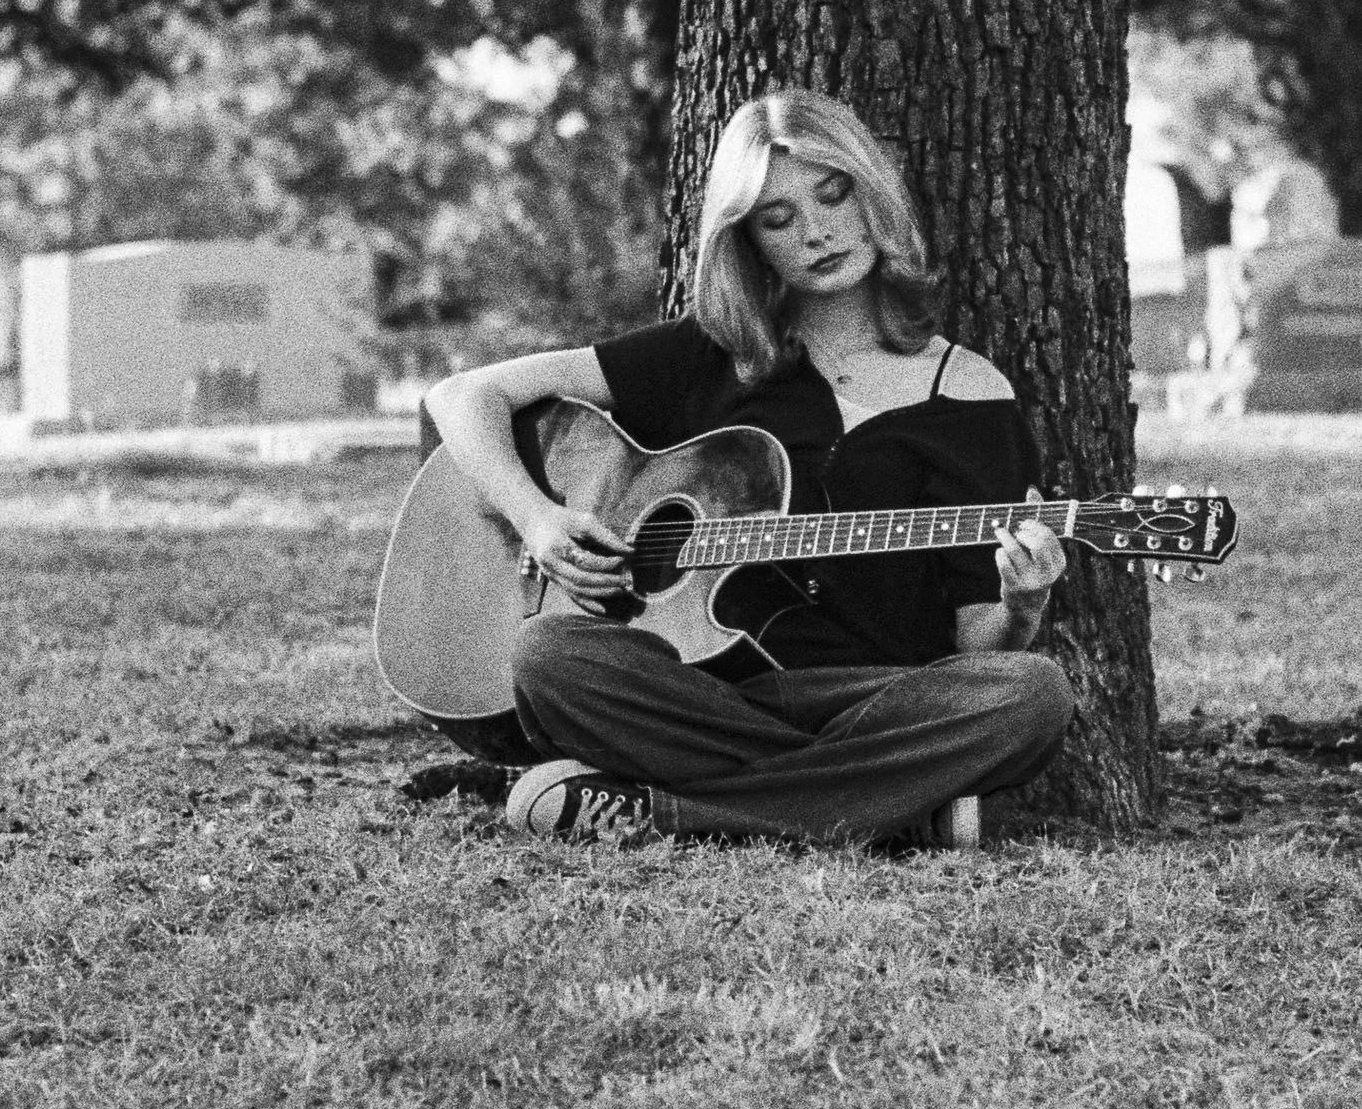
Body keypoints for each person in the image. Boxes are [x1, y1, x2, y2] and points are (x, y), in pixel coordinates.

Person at [422, 90, 1075, 846]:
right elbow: (464, 396)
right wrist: (538, 519)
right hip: (695, 691)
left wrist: (1024, 604)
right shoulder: (706, 359)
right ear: (749, 242)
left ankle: (670, 814)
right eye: (778, 218)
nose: (817, 232)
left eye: (834, 194)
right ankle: (897, 811)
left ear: (874, 194)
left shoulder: (969, 394)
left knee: (1031, 694)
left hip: (872, 701)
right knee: (550, 655)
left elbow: (974, 652)